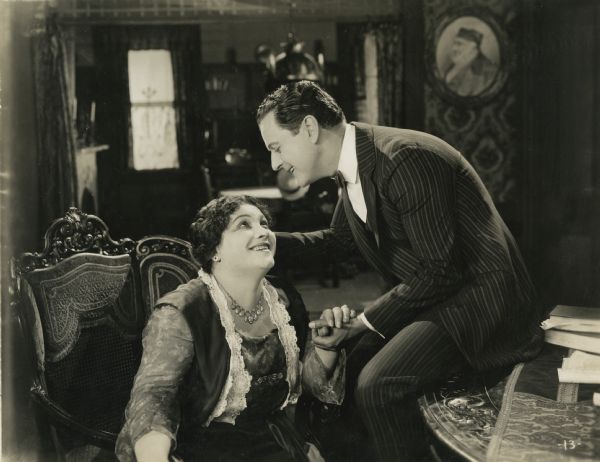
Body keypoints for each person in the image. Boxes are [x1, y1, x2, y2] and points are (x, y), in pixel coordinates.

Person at [256, 81, 544, 461]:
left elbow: (441, 271)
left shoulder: (403, 158)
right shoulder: (352, 164)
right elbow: (339, 241)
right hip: (441, 293)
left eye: (277, 148)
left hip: (481, 301)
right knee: (352, 363)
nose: (276, 164)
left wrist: (365, 320)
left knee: (378, 385)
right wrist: (268, 243)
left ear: (309, 129)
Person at [115, 195, 351, 462]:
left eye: (264, 224)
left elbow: (299, 387)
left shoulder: (283, 300)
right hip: (204, 448)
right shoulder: (183, 310)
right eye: (243, 225)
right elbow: (155, 395)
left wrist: (326, 347)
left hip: (274, 443)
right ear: (215, 249)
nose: (263, 232)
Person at [443, 27, 498, 96]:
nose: (454, 48)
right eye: (454, 44)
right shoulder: (454, 66)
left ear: (473, 47)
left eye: (459, 44)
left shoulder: (489, 71)